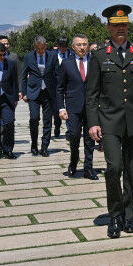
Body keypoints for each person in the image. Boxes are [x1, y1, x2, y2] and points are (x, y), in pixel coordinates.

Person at [87, 4, 133, 239]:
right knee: (114, 167)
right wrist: (93, 122)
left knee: (132, 170)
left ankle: (129, 215)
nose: (120, 29)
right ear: (108, 27)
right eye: (116, 25)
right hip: (109, 121)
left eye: (124, 25)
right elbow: (92, 93)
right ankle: (114, 215)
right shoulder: (99, 55)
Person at [56, 34, 97, 180]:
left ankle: (88, 167)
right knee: (73, 135)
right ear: (73, 47)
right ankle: (73, 161)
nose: (82, 47)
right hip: (73, 107)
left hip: (92, 107)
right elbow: (59, 88)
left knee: (89, 138)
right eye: (79, 45)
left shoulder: (94, 62)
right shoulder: (66, 64)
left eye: (85, 44)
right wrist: (61, 107)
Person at [22, 36, 59, 157]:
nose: (41, 51)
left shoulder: (53, 56)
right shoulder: (28, 57)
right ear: (34, 47)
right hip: (33, 92)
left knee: (48, 120)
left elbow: (58, 74)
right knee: (34, 118)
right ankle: (34, 144)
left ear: (46, 46)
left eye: (43, 49)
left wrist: (59, 91)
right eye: (38, 49)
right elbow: (23, 76)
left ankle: (44, 146)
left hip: (48, 92)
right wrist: (24, 92)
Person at [53, 37, 71, 138]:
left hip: (69, 84)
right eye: (61, 46)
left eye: (65, 46)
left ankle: (69, 130)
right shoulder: (53, 55)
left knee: (69, 107)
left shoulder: (72, 54)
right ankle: (57, 126)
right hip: (56, 84)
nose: (63, 49)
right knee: (57, 108)